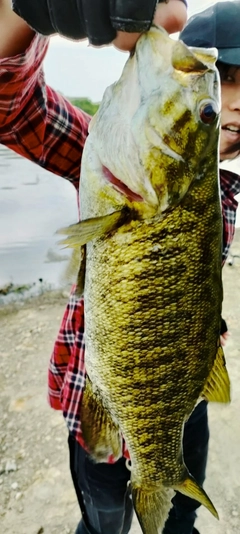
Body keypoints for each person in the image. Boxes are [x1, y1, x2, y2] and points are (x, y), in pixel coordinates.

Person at [0, 1, 238, 533]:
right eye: (226, 85)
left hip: (180, 398)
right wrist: (19, 12)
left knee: (180, 513)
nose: (231, 105)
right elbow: (10, 106)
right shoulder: (105, 153)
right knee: (105, 520)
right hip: (100, 393)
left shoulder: (227, 193)